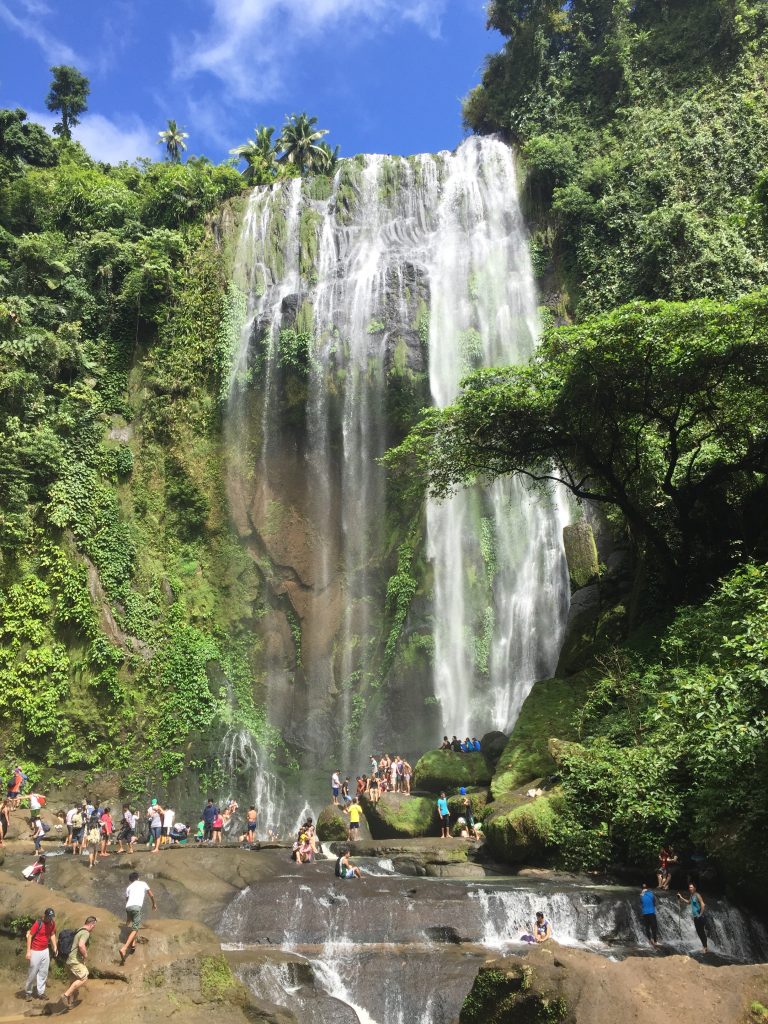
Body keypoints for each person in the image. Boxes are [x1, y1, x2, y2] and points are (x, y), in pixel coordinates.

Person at [118, 871, 157, 965]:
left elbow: (127, 900)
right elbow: (151, 894)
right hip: (136, 907)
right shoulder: (143, 883)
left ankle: (133, 944)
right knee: (135, 928)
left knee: (130, 922)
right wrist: (154, 903)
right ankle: (124, 948)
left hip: (128, 907)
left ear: (130, 880)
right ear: (138, 878)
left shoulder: (129, 887)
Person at [62, 916, 97, 1009]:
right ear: (91, 924)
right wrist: (85, 955)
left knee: (73, 981)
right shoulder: (85, 932)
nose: (94, 927)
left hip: (69, 960)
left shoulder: (79, 930)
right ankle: (65, 996)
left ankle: (70, 1003)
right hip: (74, 960)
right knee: (84, 977)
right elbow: (81, 945)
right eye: (94, 925)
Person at [24, 907, 58, 1001]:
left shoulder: (52, 923)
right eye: (49, 916)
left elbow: (52, 934)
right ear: (45, 915)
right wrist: (28, 951)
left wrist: (55, 946)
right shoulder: (38, 923)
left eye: (51, 917)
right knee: (32, 972)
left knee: (43, 972)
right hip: (35, 951)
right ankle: (28, 992)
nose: (50, 918)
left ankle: (41, 993)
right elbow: (30, 936)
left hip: (45, 950)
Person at [678, 883, 708, 953]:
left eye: (691, 887)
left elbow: (703, 905)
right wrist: (681, 897)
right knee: (699, 932)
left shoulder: (697, 895)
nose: (690, 888)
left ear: (695, 888)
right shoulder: (692, 895)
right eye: (689, 887)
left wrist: (700, 914)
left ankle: (705, 948)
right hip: (695, 917)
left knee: (702, 932)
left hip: (700, 917)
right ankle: (704, 947)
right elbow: (688, 902)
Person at [640, 882, 660, 948]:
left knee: (647, 928)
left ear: (641, 889)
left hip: (645, 914)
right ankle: (655, 941)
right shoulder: (651, 894)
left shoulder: (641, 895)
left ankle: (649, 940)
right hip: (651, 912)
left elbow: (641, 903)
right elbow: (654, 903)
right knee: (654, 927)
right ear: (647, 888)